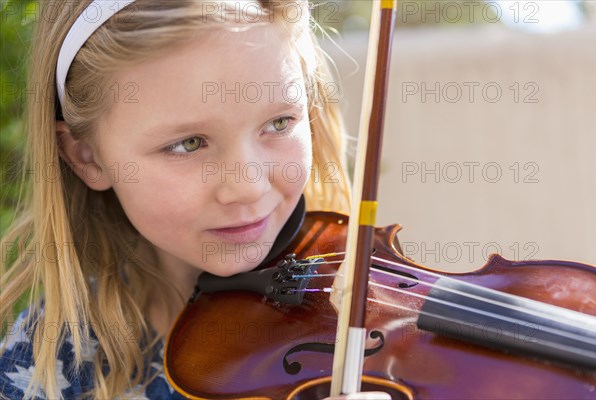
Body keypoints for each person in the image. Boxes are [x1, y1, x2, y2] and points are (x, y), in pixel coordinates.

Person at [0, 0, 352, 398]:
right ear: (88, 157)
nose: (249, 186)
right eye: (188, 144)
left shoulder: (358, 311)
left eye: (278, 122)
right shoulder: (45, 368)